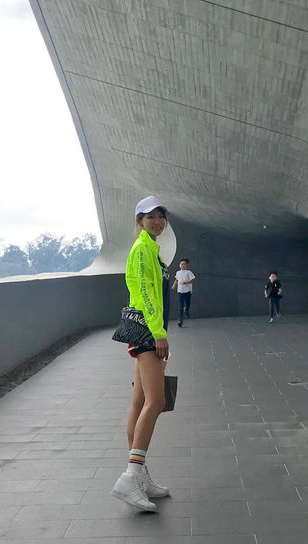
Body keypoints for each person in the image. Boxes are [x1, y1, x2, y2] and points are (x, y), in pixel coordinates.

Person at [110, 195, 172, 512]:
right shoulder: (143, 249)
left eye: (161, 216)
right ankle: (131, 476)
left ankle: (140, 474)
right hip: (147, 329)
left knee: (140, 401)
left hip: (142, 327)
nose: (157, 221)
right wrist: (158, 332)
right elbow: (146, 293)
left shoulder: (150, 248)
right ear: (139, 221)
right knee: (156, 402)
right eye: (150, 217)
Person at [172, 258, 195, 327]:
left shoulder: (189, 272)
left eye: (184, 264)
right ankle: (180, 320)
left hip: (187, 290)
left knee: (188, 304)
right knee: (181, 305)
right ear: (179, 265)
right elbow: (176, 280)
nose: (183, 265)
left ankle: (186, 310)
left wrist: (186, 282)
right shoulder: (178, 272)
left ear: (186, 265)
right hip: (180, 291)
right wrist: (174, 285)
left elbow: (192, 281)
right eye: (181, 264)